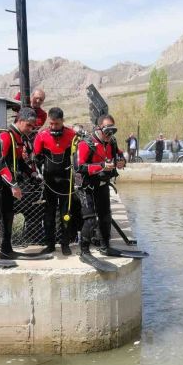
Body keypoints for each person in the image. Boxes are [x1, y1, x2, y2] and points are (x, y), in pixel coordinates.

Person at [0, 108, 50, 267]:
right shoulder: (6, 136)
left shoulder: (18, 138)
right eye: (28, 125)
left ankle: (6, 249)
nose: (31, 129)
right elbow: (0, 164)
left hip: (7, 184)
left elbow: (19, 162)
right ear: (20, 121)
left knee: (8, 215)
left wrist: (33, 174)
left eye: (33, 127)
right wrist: (14, 185)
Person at [75, 114, 126, 269]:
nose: (110, 135)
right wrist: (102, 166)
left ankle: (105, 246)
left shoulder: (112, 142)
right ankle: (84, 252)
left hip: (103, 184)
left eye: (113, 131)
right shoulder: (86, 143)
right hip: (86, 187)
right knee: (90, 220)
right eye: (107, 130)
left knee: (105, 216)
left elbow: (119, 154)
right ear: (98, 128)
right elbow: (79, 167)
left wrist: (121, 161)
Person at [33, 107, 76, 256]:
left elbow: (78, 156)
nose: (53, 127)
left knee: (66, 213)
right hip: (49, 181)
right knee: (49, 214)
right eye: (51, 124)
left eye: (56, 124)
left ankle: (65, 244)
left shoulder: (71, 135)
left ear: (62, 121)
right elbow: (36, 158)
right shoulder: (42, 135)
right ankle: (50, 244)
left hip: (66, 180)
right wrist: (38, 174)